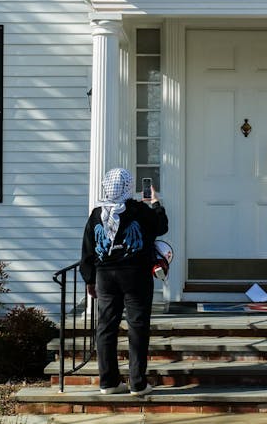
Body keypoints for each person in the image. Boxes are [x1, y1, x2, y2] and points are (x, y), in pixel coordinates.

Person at [80, 168, 168, 395]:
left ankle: (108, 381)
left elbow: (88, 248)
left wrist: (89, 278)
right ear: (128, 187)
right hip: (135, 274)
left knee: (106, 327)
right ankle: (138, 383)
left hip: (105, 276)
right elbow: (161, 227)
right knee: (137, 327)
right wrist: (156, 204)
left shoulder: (97, 213)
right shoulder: (139, 210)